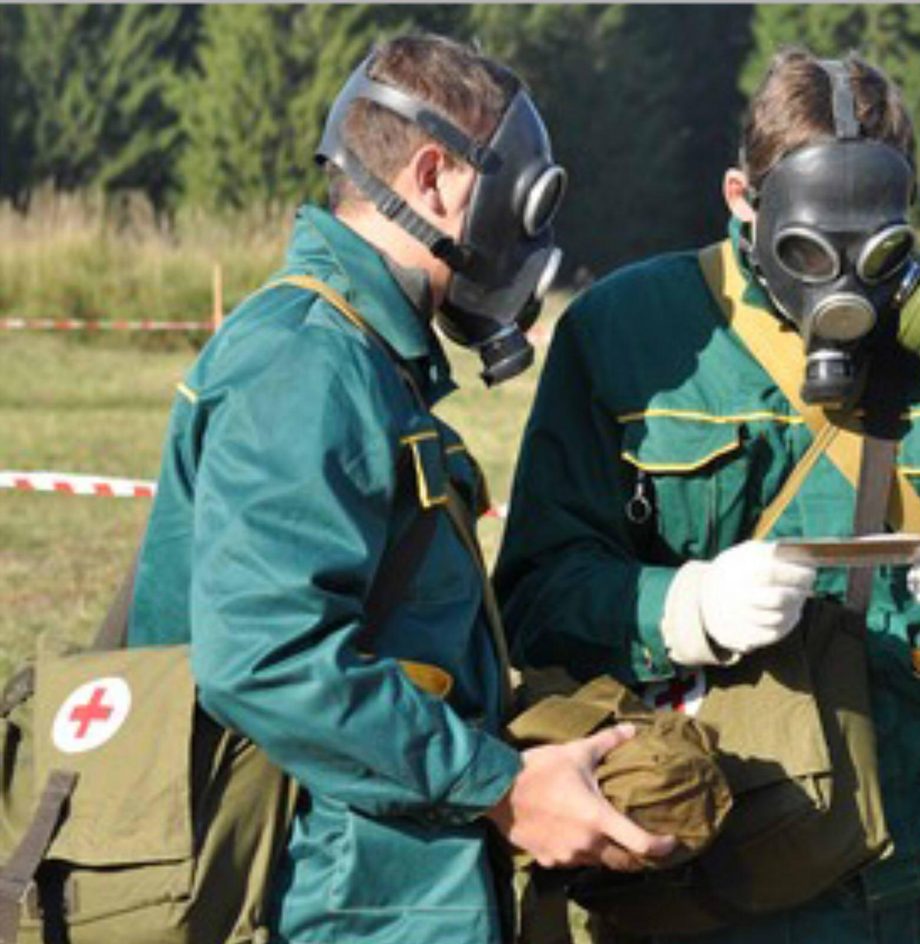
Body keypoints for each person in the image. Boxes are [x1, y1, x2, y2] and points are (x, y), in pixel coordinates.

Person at [495, 48, 920, 942]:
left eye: (879, 246)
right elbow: (535, 596)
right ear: (739, 200)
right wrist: (685, 606)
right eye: (805, 245)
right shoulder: (630, 335)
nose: (842, 280)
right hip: (738, 865)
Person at [128, 33, 672, 944]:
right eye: (521, 203)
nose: (528, 242)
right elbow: (264, 654)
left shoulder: (367, 359)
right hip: (328, 897)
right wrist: (498, 787)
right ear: (436, 177)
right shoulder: (306, 361)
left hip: (384, 879)